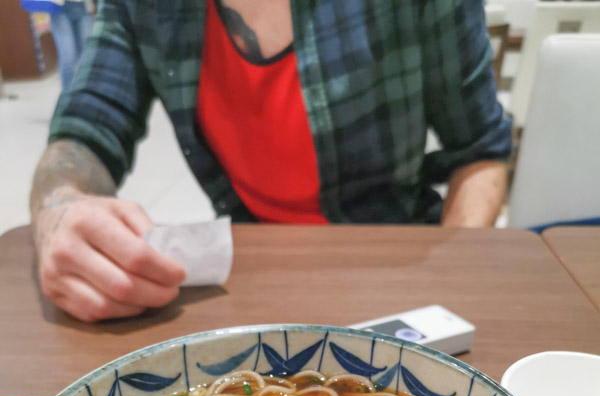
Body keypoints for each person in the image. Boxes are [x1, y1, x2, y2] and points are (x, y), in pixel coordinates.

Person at [30, 0, 513, 322]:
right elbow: (84, 131)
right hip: (251, 268)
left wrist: (448, 291)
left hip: (399, 262)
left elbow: (483, 153)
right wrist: (60, 209)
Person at [21, 0, 94, 91]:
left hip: (83, 7)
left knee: (86, 56)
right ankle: (68, 96)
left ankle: (86, 92)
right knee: (68, 57)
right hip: (59, 9)